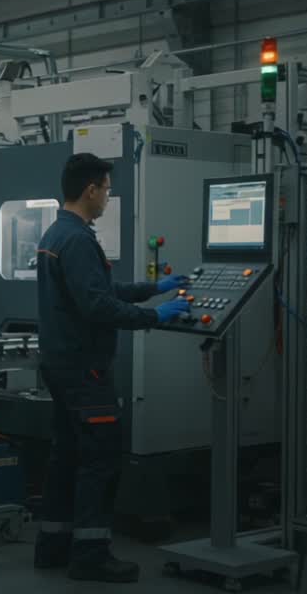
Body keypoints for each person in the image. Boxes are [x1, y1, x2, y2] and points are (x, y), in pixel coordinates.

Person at [33, 153, 191, 583]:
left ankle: (53, 545)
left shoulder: (58, 234)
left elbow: (102, 289)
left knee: (66, 456)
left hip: (61, 365)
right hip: (87, 371)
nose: (107, 197)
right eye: (106, 189)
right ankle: (90, 555)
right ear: (91, 190)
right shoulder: (79, 240)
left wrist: (151, 289)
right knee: (100, 459)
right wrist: (155, 317)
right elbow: (98, 304)